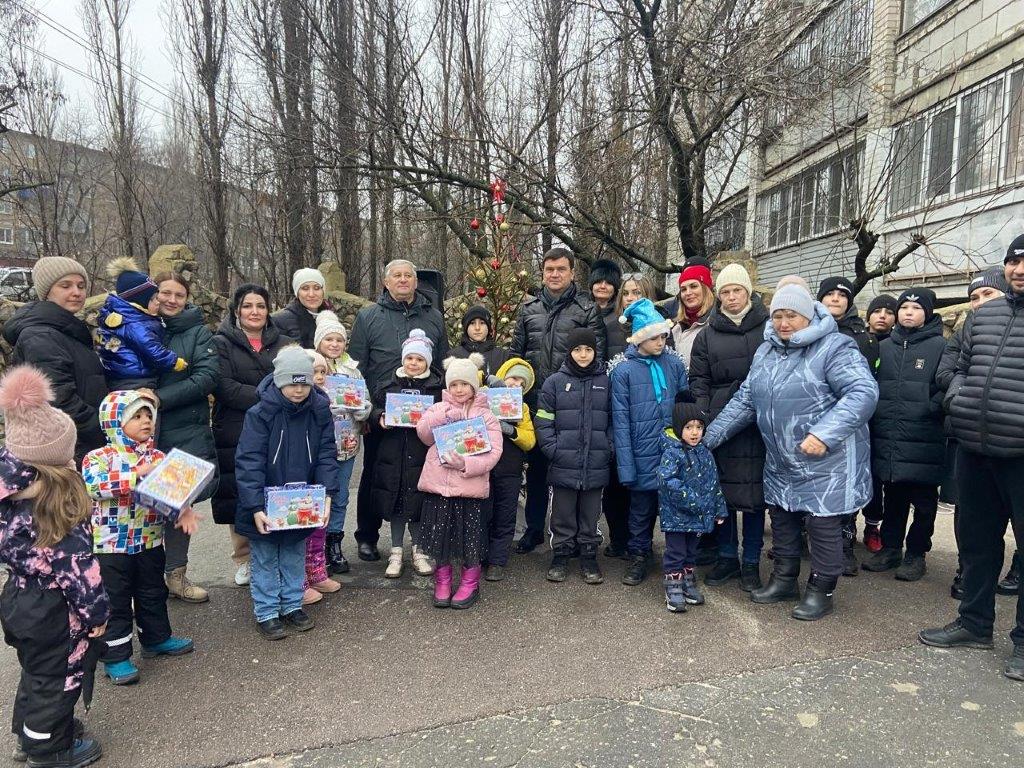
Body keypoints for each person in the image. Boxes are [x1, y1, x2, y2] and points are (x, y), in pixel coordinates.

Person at [704, 284, 878, 621]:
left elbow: (863, 392)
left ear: (808, 315)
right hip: (782, 457)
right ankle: (784, 579)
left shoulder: (835, 347)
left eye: (792, 316)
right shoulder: (767, 351)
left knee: (822, 526)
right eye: (779, 316)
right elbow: (745, 400)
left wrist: (824, 434)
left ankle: (821, 589)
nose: (784, 323)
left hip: (826, 460)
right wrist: (709, 437)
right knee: (782, 518)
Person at [919, 237, 1024, 683]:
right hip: (975, 450)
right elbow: (950, 368)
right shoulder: (982, 317)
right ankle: (975, 623)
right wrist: (961, 402)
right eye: (1014, 260)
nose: (1020, 268)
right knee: (977, 542)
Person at [0, 367, 109, 768]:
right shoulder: (57, 506)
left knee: (36, 671)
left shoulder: (10, 492)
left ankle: (28, 736)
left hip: (18, 598)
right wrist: (97, 616)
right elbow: (79, 571)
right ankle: (50, 750)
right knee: (59, 679)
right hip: (55, 609)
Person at [81, 391, 198, 685]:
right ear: (114, 422)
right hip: (110, 545)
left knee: (152, 592)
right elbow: (96, 487)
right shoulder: (98, 457)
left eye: (149, 415)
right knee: (116, 601)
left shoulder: (158, 456)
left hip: (149, 540)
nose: (146, 421)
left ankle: (156, 638)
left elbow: (165, 494)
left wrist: (180, 510)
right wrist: (138, 473)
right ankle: (116, 656)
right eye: (136, 416)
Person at [233, 347, 342, 641]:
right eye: (292, 383)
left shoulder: (319, 411)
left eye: (304, 383)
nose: (298, 389)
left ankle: (292, 604)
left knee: (294, 554)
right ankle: (267, 610)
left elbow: (326, 455)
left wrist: (327, 494)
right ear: (279, 382)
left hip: (301, 501)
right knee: (266, 557)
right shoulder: (260, 413)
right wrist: (254, 505)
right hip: (266, 502)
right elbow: (249, 459)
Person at [349, 259, 449, 562]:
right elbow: (357, 367)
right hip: (383, 412)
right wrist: (366, 413)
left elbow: (443, 364)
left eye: (409, 276)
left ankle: (421, 541)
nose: (403, 280)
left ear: (416, 282)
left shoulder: (433, 317)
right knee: (375, 474)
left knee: (421, 474)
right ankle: (367, 535)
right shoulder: (368, 317)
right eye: (397, 276)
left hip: (424, 413)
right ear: (386, 281)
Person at [510, 247, 606, 553]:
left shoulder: (586, 310)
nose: (554, 274)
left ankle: (577, 535)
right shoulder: (529, 310)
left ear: (571, 272)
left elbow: (597, 359)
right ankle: (535, 528)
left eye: (560, 269)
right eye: (549, 269)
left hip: (576, 408)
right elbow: (516, 356)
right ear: (542, 272)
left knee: (573, 475)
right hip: (538, 404)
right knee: (537, 470)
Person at [688, 263, 769, 591]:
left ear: (748, 291)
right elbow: (699, 379)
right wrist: (705, 417)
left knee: (754, 496)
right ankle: (726, 557)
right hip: (721, 424)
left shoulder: (768, 329)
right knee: (721, 492)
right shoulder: (707, 334)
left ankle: (751, 561)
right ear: (717, 296)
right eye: (725, 292)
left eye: (737, 290)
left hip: (760, 425)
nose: (732, 297)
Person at [211, 284, 294, 587]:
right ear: (237, 311)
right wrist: (270, 396)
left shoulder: (285, 343)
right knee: (240, 491)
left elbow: (296, 378)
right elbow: (223, 386)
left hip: (279, 427)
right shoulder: (220, 343)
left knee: (278, 486)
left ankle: (278, 554)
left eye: (260, 305)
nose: (255, 311)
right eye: (248, 306)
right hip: (237, 426)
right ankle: (244, 558)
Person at [935, 268, 1010, 599]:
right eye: (974, 297)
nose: (979, 303)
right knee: (972, 518)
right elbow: (949, 372)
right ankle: (968, 579)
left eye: (988, 295)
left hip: (1013, 440)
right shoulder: (967, 331)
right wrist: (962, 400)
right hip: (969, 437)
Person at [862, 289, 946, 582]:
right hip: (889, 435)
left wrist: (930, 407)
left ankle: (916, 553)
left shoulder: (940, 346)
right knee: (893, 495)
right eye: (904, 307)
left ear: (929, 312)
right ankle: (890, 547)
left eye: (916, 307)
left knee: (923, 502)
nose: (908, 312)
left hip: (925, 436)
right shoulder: (885, 347)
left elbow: (946, 386)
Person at [611, 298, 688, 587]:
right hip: (641, 453)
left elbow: (684, 406)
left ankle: (677, 557)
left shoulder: (674, 365)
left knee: (672, 507)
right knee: (640, 509)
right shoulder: (623, 372)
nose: (661, 342)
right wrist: (626, 467)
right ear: (641, 338)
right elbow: (620, 421)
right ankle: (639, 554)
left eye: (664, 336)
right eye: (655, 337)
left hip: (671, 452)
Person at [152, 271, 219, 605]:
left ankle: (176, 575)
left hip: (183, 430)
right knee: (141, 510)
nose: (172, 300)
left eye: (179, 295)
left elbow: (206, 377)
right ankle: (146, 582)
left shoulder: (197, 333)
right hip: (140, 432)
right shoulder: (139, 326)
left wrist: (160, 398)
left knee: (177, 504)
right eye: (166, 293)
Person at [415, 355, 503, 609]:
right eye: (454, 385)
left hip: (469, 488)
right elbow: (423, 434)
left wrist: (466, 465)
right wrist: (441, 415)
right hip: (439, 488)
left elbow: (494, 452)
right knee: (440, 535)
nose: (459, 389)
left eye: (464, 384)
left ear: (474, 386)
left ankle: (469, 581)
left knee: (470, 537)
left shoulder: (486, 416)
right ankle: (442, 580)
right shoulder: (438, 409)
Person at [3, 256, 108, 464]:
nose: (76, 292)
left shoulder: (67, 330)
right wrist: (105, 432)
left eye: (81, 286)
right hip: (71, 451)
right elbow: (61, 400)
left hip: (82, 445)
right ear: (47, 292)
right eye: (65, 286)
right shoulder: (40, 336)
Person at [535, 327, 613, 585]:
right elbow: (543, 420)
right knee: (562, 513)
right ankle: (561, 553)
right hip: (563, 463)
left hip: (596, 462)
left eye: (588, 349)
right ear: (569, 351)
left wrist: (608, 447)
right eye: (578, 349)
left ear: (595, 351)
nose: (583, 354)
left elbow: (614, 419)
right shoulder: (555, 382)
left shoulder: (605, 381)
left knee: (591, 513)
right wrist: (554, 450)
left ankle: (589, 554)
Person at [368, 329, 445, 578]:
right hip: (393, 455)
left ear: (428, 362)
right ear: (403, 359)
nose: (414, 363)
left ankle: (419, 550)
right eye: (410, 358)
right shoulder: (388, 384)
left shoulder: (436, 388)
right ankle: (396, 551)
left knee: (419, 505)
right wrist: (380, 418)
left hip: (422, 456)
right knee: (397, 506)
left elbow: (444, 416)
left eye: (420, 359)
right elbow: (374, 409)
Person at [816, 275, 879, 576]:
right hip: (814, 419)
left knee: (844, 486)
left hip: (847, 422)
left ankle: (844, 545)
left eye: (842, 295)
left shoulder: (862, 337)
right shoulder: (810, 330)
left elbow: (864, 386)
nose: (836, 299)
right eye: (830, 294)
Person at [603, 271, 660, 557]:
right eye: (627, 293)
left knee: (643, 486)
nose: (631, 298)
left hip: (645, 415)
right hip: (616, 410)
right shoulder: (611, 326)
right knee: (615, 482)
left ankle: (641, 542)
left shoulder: (657, 327)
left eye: (637, 293)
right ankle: (618, 539)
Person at [313, 310, 371, 575]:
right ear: (319, 343)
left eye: (339, 340)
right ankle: (315, 546)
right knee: (318, 495)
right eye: (329, 340)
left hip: (347, 444)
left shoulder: (353, 370)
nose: (334, 344)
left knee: (340, 496)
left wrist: (361, 409)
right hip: (317, 445)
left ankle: (334, 543)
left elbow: (365, 402)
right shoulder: (312, 367)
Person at [658, 400, 728, 613]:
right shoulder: (672, 453)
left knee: (691, 552)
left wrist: (718, 508)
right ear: (680, 429)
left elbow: (713, 482)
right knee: (676, 552)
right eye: (689, 427)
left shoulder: (705, 453)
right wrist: (693, 499)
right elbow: (667, 480)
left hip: (698, 517)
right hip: (677, 517)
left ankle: (687, 582)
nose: (695, 432)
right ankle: (673, 587)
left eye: (699, 427)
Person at [94, 258, 187, 390]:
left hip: (120, 375)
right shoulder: (136, 324)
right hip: (136, 379)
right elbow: (151, 348)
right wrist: (174, 361)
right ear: (140, 302)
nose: (158, 302)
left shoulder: (124, 317)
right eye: (154, 299)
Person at [482, 358, 537, 582]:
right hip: (483, 467)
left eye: (522, 384)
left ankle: (497, 560)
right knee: (483, 512)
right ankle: (479, 554)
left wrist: (511, 431)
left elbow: (530, 440)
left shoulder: (522, 408)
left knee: (505, 514)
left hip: (509, 468)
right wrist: (487, 381)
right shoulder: (482, 397)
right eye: (513, 378)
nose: (516, 385)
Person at [860, 296, 899, 553]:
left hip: (886, 419)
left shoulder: (897, 346)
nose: (882, 316)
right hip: (862, 417)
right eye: (877, 311)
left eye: (888, 311)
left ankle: (873, 525)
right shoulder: (861, 341)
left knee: (878, 479)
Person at [664, 258, 715, 365]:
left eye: (693, 286)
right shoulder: (675, 327)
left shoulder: (716, 322)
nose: (688, 293)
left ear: (705, 288)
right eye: (683, 289)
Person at [272, 268, 330, 348]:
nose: (311, 294)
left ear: (323, 291)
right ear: (297, 293)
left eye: (317, 288)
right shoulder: (279, 321)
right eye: (305, 288)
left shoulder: (330, 319)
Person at [451, 305, 510, 379]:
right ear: (466, 327)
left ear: (488, 327)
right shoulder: (454, 356)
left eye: (482, 323)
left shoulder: (503, 356)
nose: (477, 328)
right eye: (472, 323)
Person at [589, 259, 625, 358]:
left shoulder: (623, 315)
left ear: (615, 288)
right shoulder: (581, 312)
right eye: (599, 282)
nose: (603, 286)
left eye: (608, 283)